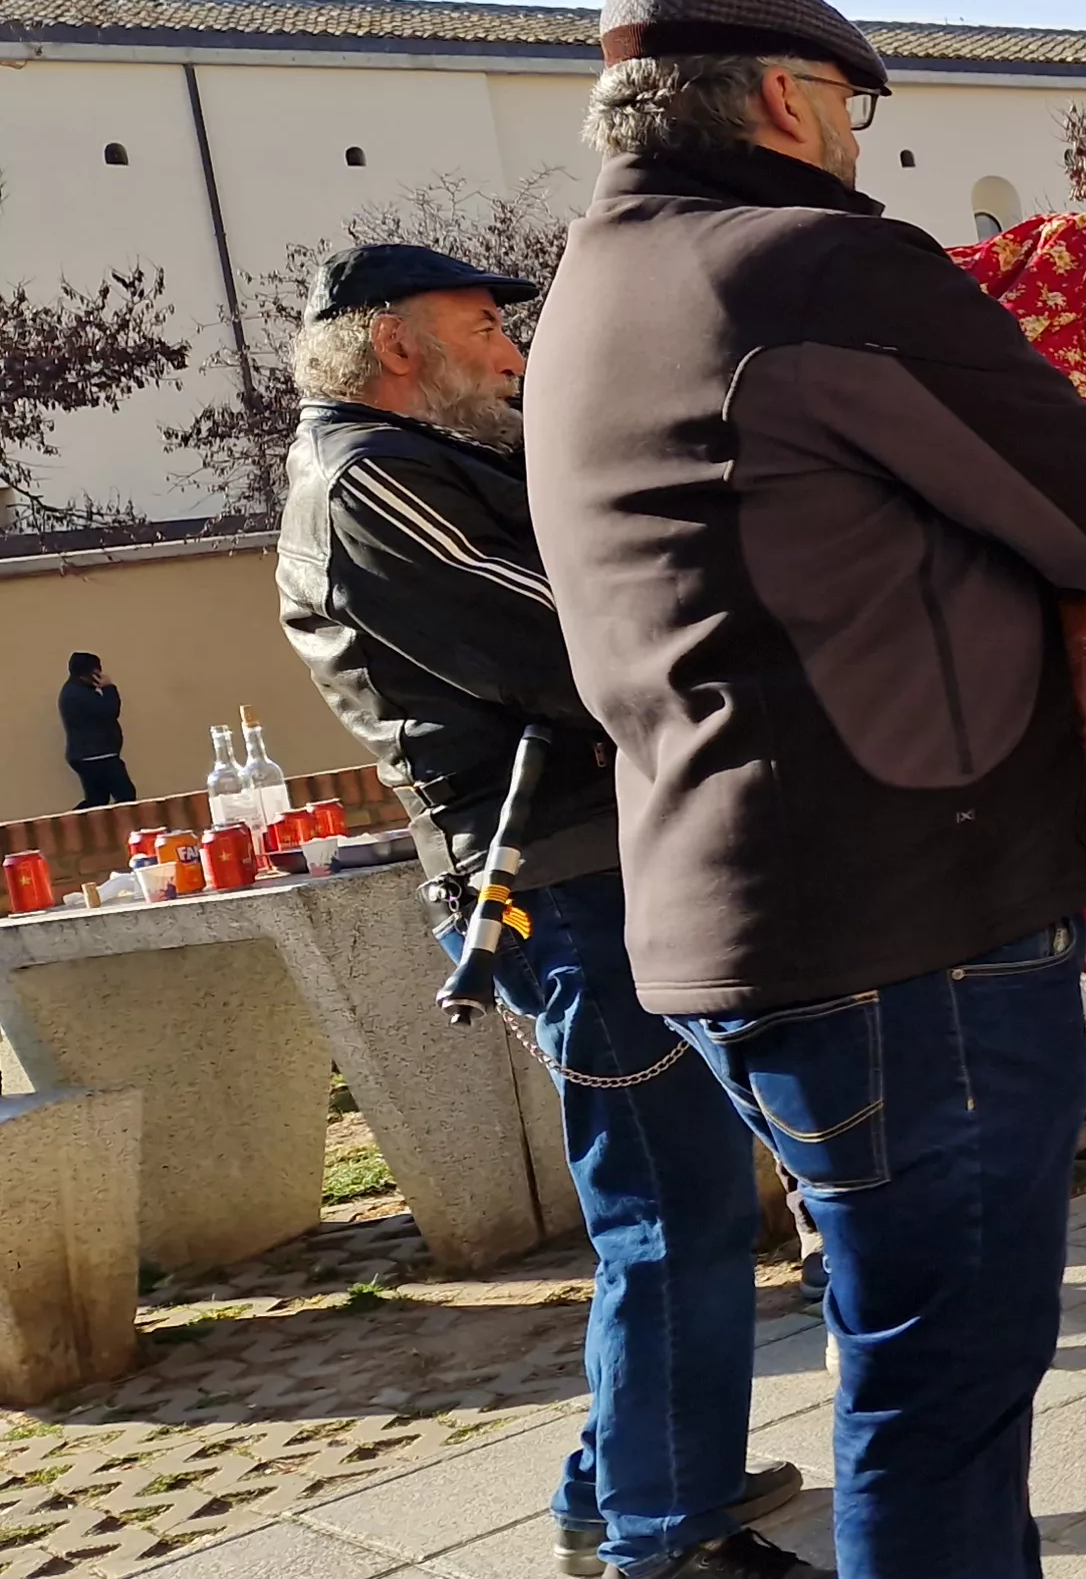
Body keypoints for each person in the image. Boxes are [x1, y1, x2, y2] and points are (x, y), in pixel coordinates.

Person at [523, 0, 1086, 1575]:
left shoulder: (597, 287)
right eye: (848, 105)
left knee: (909, 1363)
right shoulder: (810, 264)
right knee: (941, 1401)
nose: (860, 143)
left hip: (744, 915)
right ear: (783, 95)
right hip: (911, 927)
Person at [276, 243, 813, 1579]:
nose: (513, 352)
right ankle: (664, 1535)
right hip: (558, 883)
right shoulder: (370, 481)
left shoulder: (416, 464)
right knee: (671, 1209)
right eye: (483, 327)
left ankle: (624, 1481)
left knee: (674, 1198)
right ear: (397, 343)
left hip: (587, 862)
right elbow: (579, 636)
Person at [57, 653, 127, 807]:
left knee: (97, 800)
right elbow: (110, 711)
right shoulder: (79, 694)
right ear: (91, 672)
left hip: (90, 755)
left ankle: (76, 825)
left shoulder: (75, 691)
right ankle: (74, 824)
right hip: (98, 755)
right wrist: (109, 688)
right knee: (125, 794)